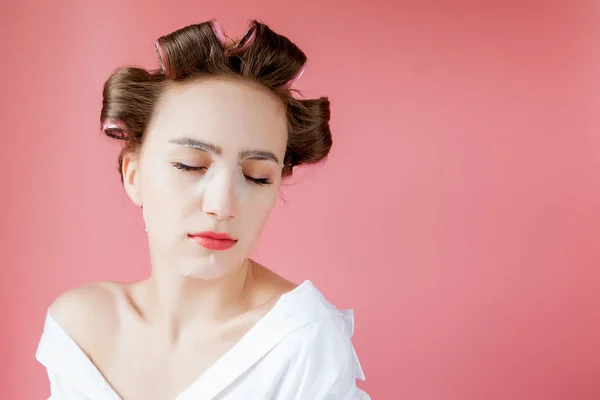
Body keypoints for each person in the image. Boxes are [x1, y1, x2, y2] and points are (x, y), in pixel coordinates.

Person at [36, 19, 369, 400]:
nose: (222, 206)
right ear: (133, 175)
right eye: (191, 166)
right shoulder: (80, 326)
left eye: (257, 176)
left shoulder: (301, 341)